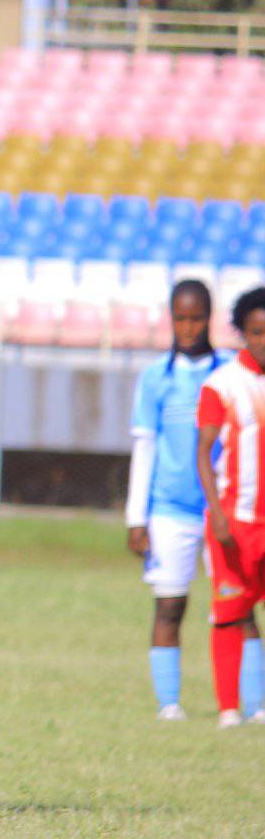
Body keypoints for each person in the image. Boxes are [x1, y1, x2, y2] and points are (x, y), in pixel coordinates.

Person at [125, 281, 243, 721]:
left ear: (209, 318)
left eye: (196, 318)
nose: (188, 326)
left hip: (222, 512)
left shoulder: (230, 372)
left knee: (236, 606)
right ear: (170, 318)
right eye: (180, 318)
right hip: (168, 510)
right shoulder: (156, 377)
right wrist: (137, 518)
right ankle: (169, 704)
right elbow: (146, 448)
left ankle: (247, 706)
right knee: (169, 605)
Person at [195, 287, 265, 729]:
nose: (264, 340)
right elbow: (203, 451)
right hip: (235, 522)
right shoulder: (221, 384)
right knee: (230, 612)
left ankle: (258, 705)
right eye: (256, 332)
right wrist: (217, 512)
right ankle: (228, 708)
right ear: (242, 333)